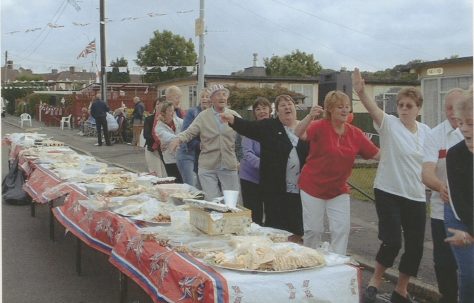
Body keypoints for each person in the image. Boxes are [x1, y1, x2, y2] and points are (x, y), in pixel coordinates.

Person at [353, 68, 431, 303]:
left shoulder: (427, 132)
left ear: (418, 108)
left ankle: (401, 289)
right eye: (401, 105)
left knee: (416, 246)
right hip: (388, 191)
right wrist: (361, 92)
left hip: (416, 195)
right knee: (393, 240)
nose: (405, 109)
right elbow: (373, 109)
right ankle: (375, 281)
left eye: (409, 105)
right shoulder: (389, 124)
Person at [294, 91, 379, 255]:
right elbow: (298, 133)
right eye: (340, 107)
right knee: (313, 230)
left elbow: (376, 154)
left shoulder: (355, 133)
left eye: (347, 107)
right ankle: (310, 260)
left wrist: (401, 154)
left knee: (341, 229)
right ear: (330, 109)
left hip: (338, 189)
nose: (345, 110)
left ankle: (337, 263)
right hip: (313, 187)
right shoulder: (319, 126)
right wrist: (310, 116)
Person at [220, 94, 309, 242]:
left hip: (299, 189)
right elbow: (248, 127)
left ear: (295, 108)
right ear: (277, 111)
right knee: (275, 227)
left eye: (290, 104)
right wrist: (233, 120)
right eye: (282, 105)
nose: (287, 107)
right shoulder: (269, 126)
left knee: (297, 227)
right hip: (275, 188)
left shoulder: (306, 128)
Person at [421, 88, 465, 303]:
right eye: (448, 107)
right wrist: (440, 186)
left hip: (469, 213)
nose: (452, 112)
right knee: (444, 264)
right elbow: (426, 172)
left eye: (456, 107)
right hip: (443, 212)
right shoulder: (435, 135)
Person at [169, 84, 241, 200]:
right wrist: (178, 139)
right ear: (211, 99)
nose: (222, 97)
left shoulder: (233, 115)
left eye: (224, 94)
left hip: (228, 163)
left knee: (231, 202)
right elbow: (189, 132)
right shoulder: (203, 116)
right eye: (218, 95)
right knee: (213, 201)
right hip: (208, 165)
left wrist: (240, 159)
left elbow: (246, 132)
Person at [445, 93, 474, 303]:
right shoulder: (455, 154)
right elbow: (461, 204)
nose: (463, 128)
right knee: (471, 275)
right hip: (461, 220)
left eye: (470, 123)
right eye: (461, 122)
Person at [238, 97, 272, 225]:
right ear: (254, 113)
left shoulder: (276, 128)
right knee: (254, 215)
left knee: (271, 213)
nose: (262, 111)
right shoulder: (250, 129)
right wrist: (265, 165)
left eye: (264, 108)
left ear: (270, 110)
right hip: (250, 177)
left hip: (269, 178)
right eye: (258, 109)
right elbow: (247, 153)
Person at [176, 88, 210, 187]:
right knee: (190, 187)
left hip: (202, 156)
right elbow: (186, 133)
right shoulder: (193, 112)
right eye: (202, 97)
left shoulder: (214, 115)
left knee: (201, 188)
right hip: (188, 154)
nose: (204, 99)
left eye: (207, 97)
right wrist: (200, 145)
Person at [157, 101, 183, 183]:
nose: (172, 113)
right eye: (170, 111)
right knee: (175, 181)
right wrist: (183, 138)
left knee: (185, 181)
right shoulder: (159, 127)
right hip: (170, 159)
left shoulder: (178, 121)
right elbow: (170, 138)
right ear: (163, 113)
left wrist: (184, 137)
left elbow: (189, 129)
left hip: (182, 156)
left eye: (173, 110)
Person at [144, 99, 167, 177]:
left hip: (166, 150)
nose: (160, 105)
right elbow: (146, 135)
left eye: (162, 104)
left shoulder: (168, 119)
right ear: (154, 107)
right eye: (157, 104)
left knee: (165, 174)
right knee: (156, 174)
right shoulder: (149, 119)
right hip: (152, 149)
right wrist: (159, 142)